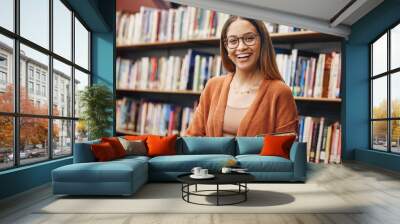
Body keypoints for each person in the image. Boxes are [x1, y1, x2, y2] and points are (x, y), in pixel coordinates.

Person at [184, 16, 298, 137]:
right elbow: (192, 138)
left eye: (249, 38)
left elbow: (285, 149)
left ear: (263, 42)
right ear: (226, 46)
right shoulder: (213, 86)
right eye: (233, 41)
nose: (241, 47)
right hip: (211, 157)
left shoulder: (280, 92)